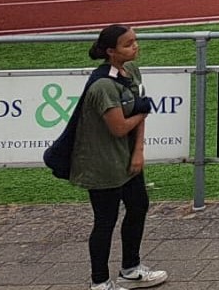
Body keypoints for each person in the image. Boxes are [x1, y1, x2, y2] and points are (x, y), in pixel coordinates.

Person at [70, 24, 168, 290]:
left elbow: (137, 110)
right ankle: (99, 282)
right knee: (105, 221)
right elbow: (120, 126)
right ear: (111, 52)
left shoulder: (132, 71)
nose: (135, 46)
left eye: (135, 41)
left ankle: (131, 268)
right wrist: (144, 112)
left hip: (126, 160)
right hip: (101, 164)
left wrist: (138, 152)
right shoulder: (102, 86)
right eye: (128, 44)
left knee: (138, 206)